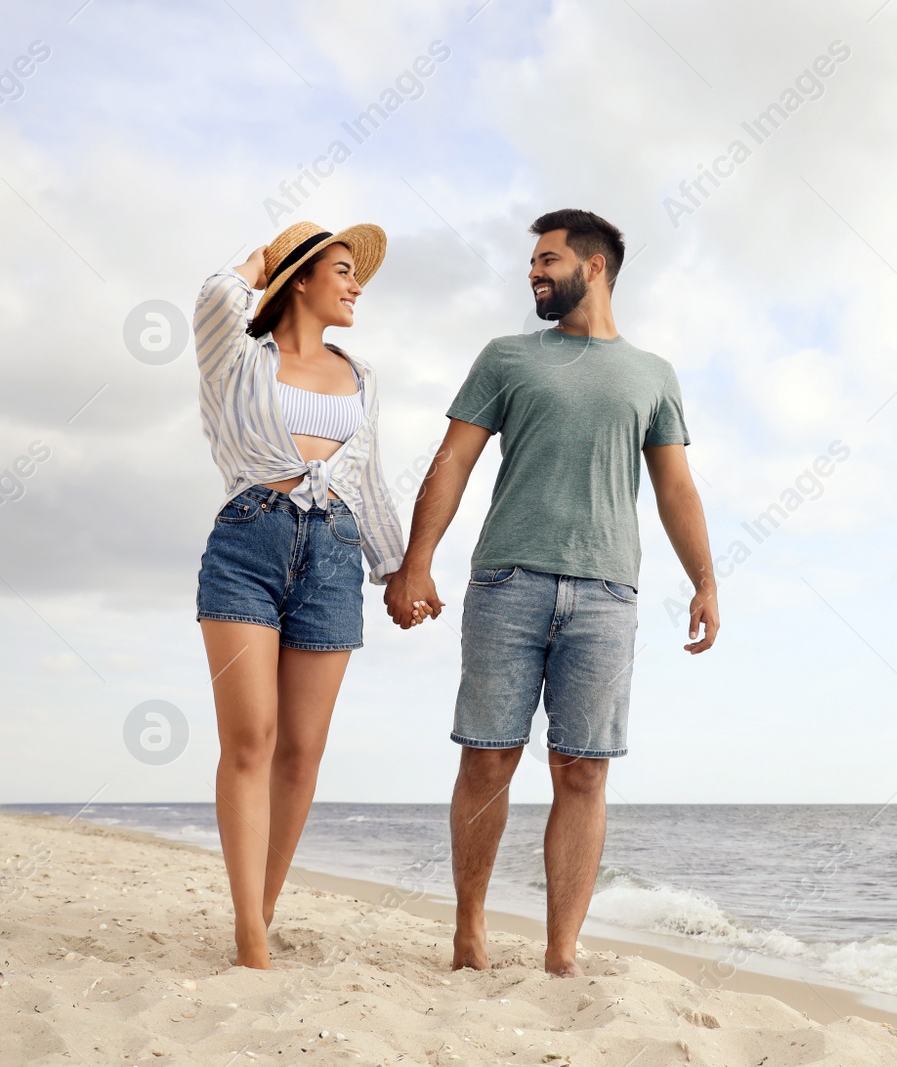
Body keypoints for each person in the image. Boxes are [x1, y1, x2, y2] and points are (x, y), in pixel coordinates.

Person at [383, 209, 719, 977]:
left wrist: (704, 580)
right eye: (532, 262)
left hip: (607, 592)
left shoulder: (652, 374)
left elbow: (675, 486)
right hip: (508, 579)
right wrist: (417, 561)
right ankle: (470, 928)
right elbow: (453, 459)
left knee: (585, 769)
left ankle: (561, 951)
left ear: (593, 267)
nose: (533, 272)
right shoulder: (506, 357)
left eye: (548, 259)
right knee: (489, 758)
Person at [193, 221, 409, 969]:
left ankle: (264, 907)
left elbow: (368, 478)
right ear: (299, 280)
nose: (356, 287)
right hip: (248, 543)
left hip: (336, 555)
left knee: (302, 752)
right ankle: (251, 938)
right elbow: (218, 295)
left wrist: (398, 567)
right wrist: (260, 258)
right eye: (343, 270)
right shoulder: (239, 358)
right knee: (251, 738)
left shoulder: (364, 375)